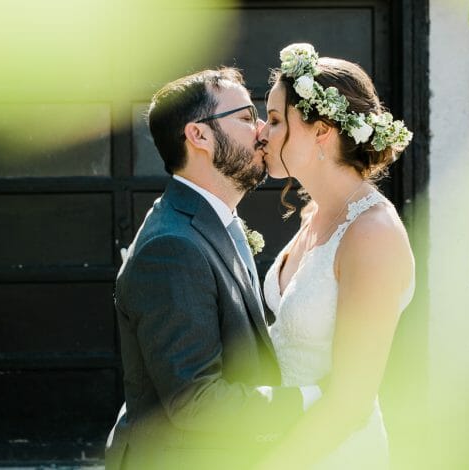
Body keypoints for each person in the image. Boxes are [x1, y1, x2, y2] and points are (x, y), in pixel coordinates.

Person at [105, 67, 321, 470]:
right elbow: (196, 402)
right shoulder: (172, 248)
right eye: (246, 117)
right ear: (199, 135)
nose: (262, 131)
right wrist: (314, 398)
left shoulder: (211, 220)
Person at [255, 43, 415, 469]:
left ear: (322, 130)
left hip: (332, 452)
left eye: (275, 120)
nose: (261, 133)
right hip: (283, 433)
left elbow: (351, 401)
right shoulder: (315, 213)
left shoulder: (372, 234)